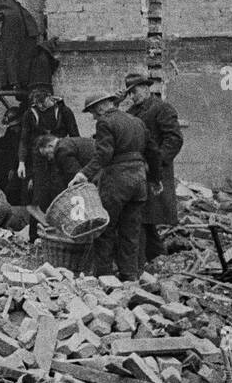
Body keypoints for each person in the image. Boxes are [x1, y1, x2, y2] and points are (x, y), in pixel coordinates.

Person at [73, 93, 161, 281]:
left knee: (105, 227)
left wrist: (83, 174)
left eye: (92, 113)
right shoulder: (136, 121)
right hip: (139, 181)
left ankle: (104, 276)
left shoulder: (105, 122)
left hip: (117, 182)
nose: (94, 117)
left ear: (99, 107)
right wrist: (155, 178)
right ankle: (129, 275)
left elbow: (104, 154)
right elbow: (152, 151)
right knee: (131, 230)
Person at [124, 73, 183, 262]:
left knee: (146, 214)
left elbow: (174, 139)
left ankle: (153, 257)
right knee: (140, 215)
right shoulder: (132, 112)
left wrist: (155, 163)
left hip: (156, 172)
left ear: (146, 88)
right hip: (137, 171)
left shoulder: (162, 108)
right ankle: (155, 256)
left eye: (134, 91)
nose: (132, 96)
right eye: (130, 93)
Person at [18, 86, 79, 230]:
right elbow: (24, 139)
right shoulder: (30, 114)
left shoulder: (64, 112)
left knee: (59, 191)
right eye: (37, 104)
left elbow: (75, 136)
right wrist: (21, 162)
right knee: (38, 194)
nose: (40, 106)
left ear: (50, 98)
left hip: (59, 156)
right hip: (38, 159)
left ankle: (61, 230)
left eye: (42, 102)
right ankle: (36, 235)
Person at [35, 133, 96, 225]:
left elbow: (77, 179)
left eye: (47, 154)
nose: (49, 159)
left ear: (50, 145)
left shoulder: (61, 150)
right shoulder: (69, 141)